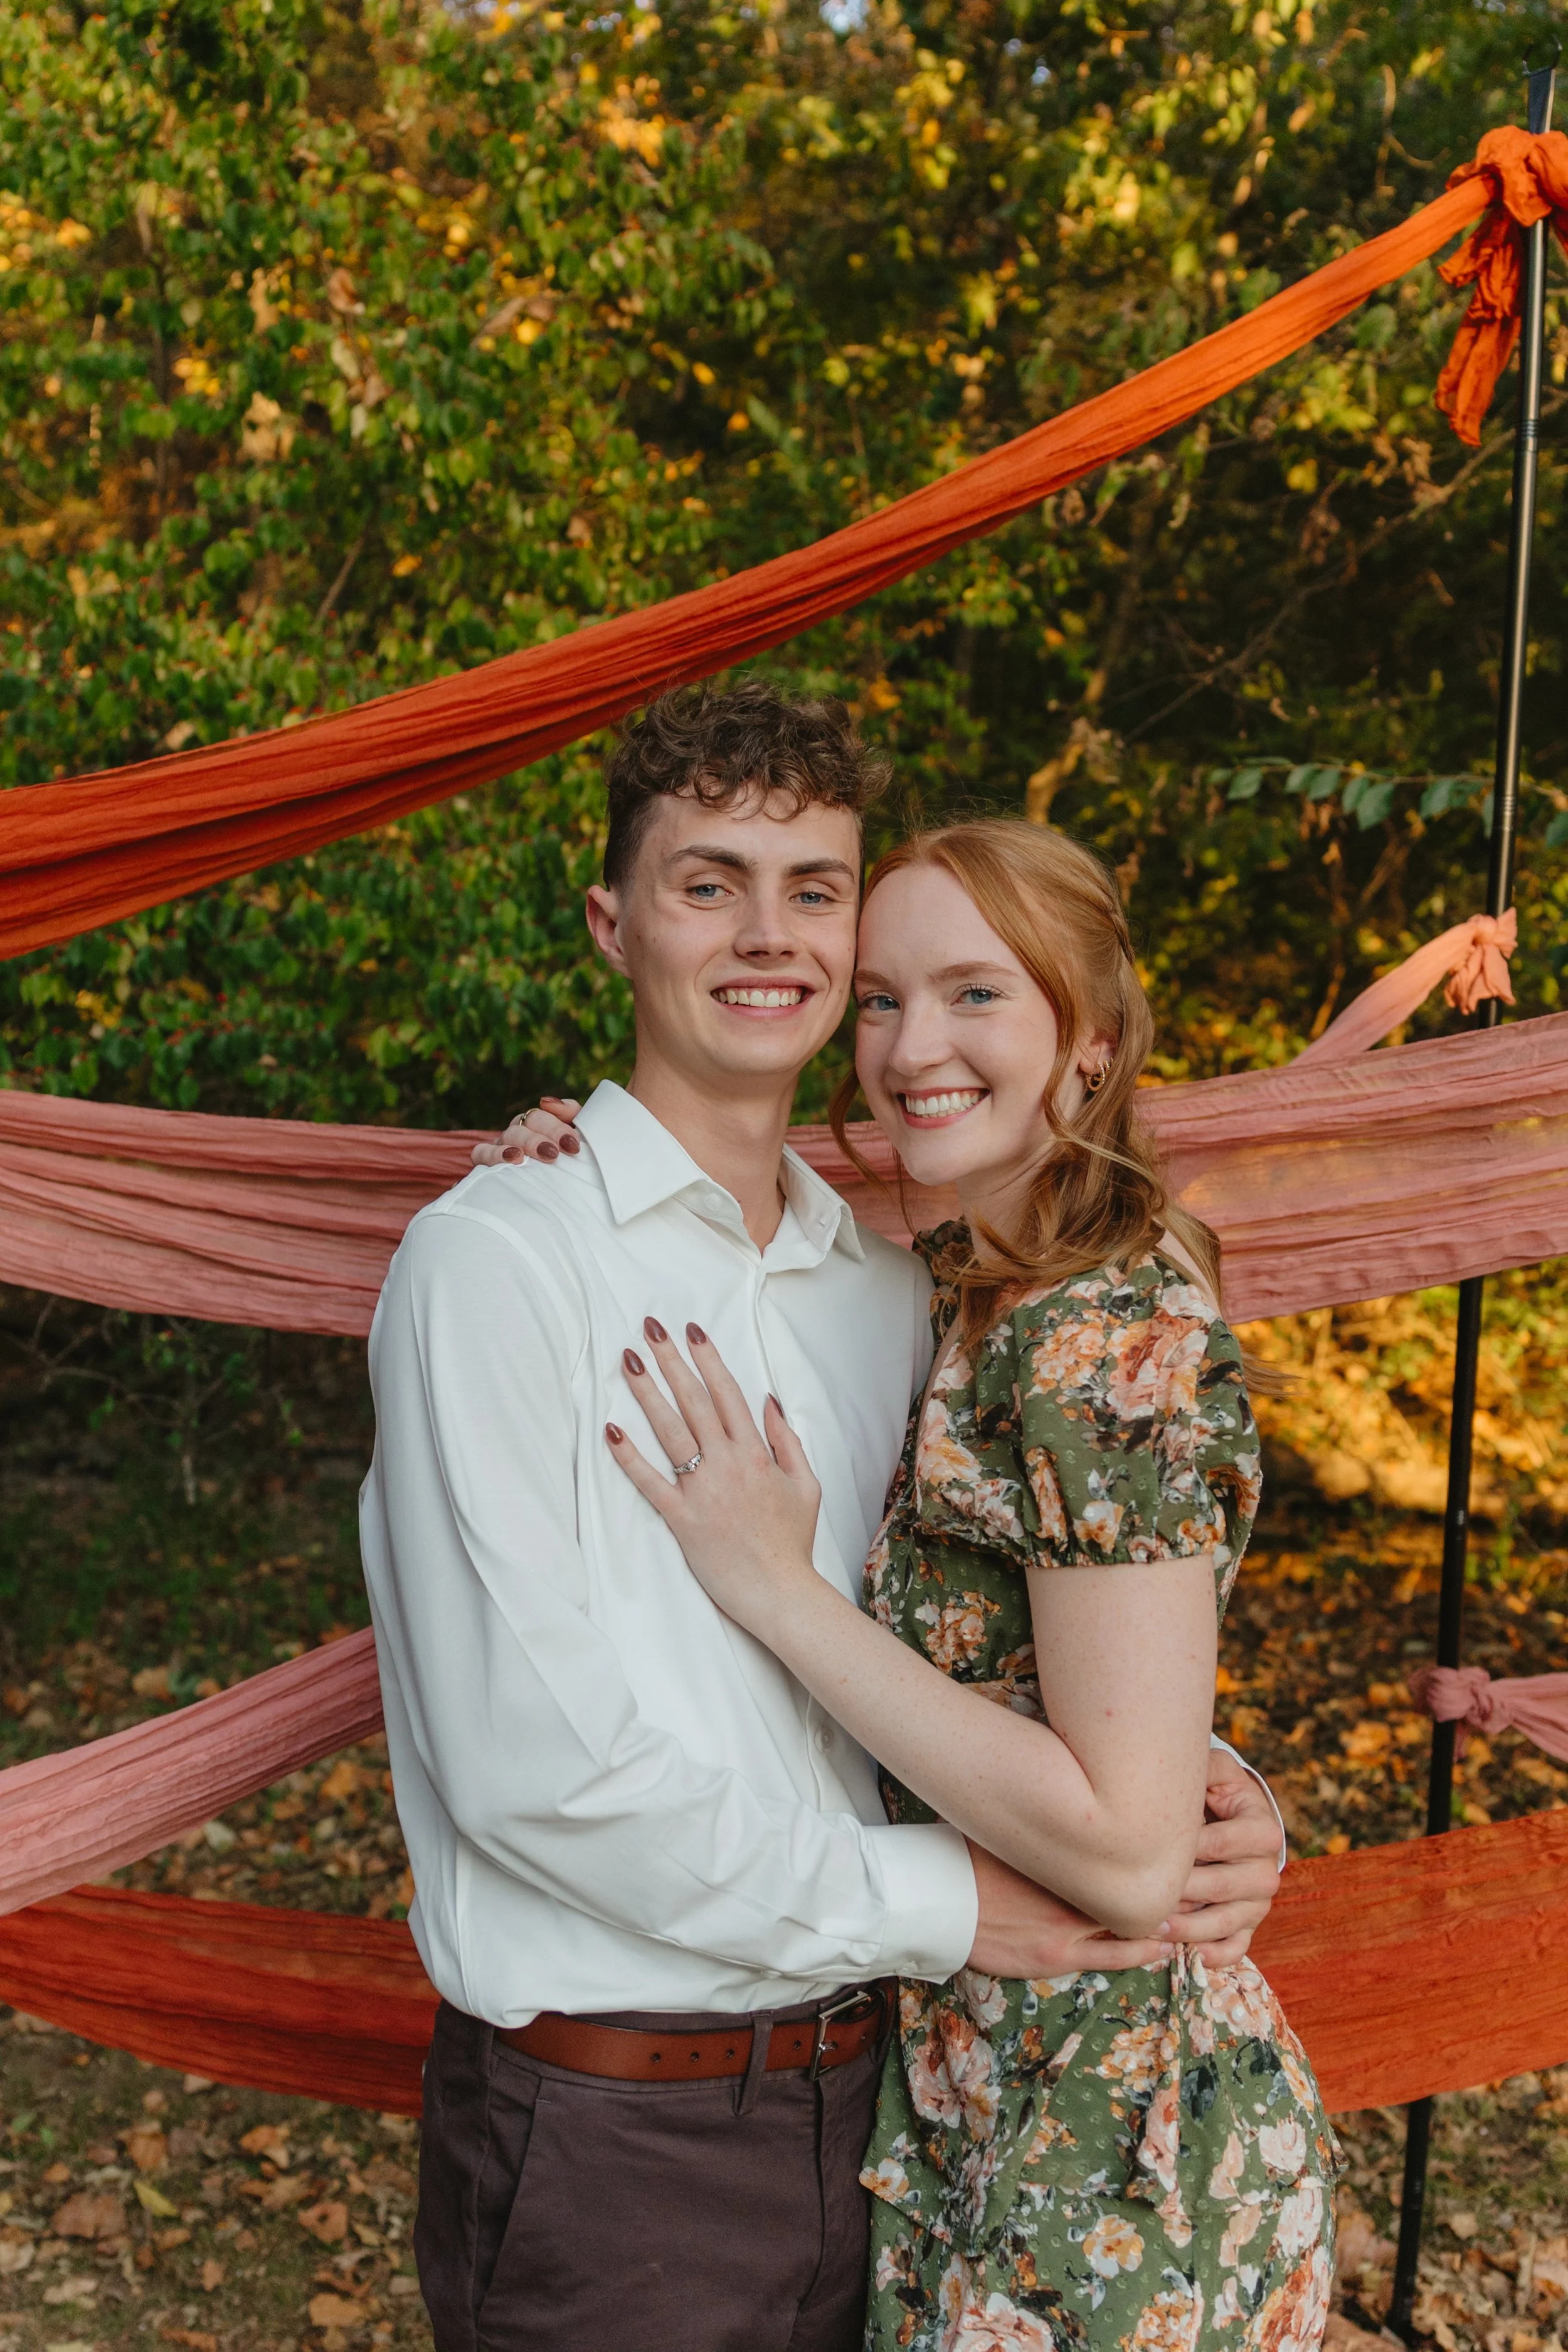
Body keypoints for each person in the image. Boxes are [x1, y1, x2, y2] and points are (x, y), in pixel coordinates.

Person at [361, 681, 1289, 2352]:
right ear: (613, 923)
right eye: (708, 882)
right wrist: (947, 1900)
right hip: (611, 2132)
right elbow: (526, 1773)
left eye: (813, 890)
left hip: (900, 2117)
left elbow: (998, 1629)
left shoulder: (897, 1293)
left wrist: (1203, 1802)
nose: (765, 934)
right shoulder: (500, 1261)